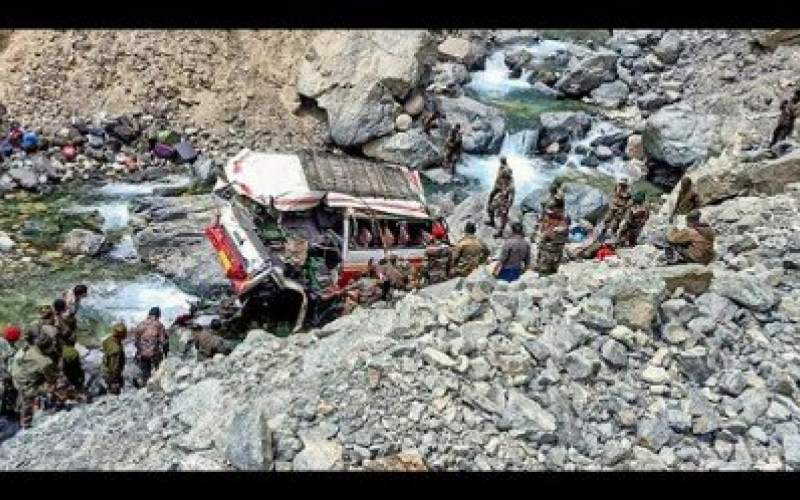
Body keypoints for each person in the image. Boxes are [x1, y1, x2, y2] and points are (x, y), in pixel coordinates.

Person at [10, 329, 59, 428]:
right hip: (27, 385)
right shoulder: (44, 361)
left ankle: (18, 408)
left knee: (23, 394)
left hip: (17, 377)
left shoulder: (26, 348)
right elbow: (52, 378)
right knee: (56, 385)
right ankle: (26, 422)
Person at [133, 307, 168, 386]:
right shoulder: (159, 325)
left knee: (145, 368)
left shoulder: (141, 324)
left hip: (142, 353)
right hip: (154, 353)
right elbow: (163, 341)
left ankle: (143, 381)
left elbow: (136, 340)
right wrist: (166, 353)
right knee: (158, 366)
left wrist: (139, 350)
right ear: (158, 315)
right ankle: (155, 380)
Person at [534, 198, 570, 275]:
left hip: (553, 246)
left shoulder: (562, 218)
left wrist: (548, 233)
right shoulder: (549, 216)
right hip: (547, 246)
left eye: (552, 209)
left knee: (550, 264)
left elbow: (562, 230)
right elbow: (541, 226)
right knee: (543, 261)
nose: (549, 210)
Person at [486, 156, 515, 238]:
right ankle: (492, 221)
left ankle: (500, 232)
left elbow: (511, 199)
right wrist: (492, 197)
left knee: (503, 217)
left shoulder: (511, 186)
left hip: (504, 203)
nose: (502, 177)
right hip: (499, 199)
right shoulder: (502, 181)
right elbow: (497, 188)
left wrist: (507, 207)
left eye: (503, 176)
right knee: (490, 208)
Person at [1, 325, 22, 417]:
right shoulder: (9, 347)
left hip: (5, 372)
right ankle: (9, 411)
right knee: (10, 391)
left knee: (8, 391)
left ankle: (5, 410)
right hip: (4, 372)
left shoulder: (10, 345)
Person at [101, 323, 127, 395]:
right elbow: (114, 367)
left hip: (104, 367)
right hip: (109, 374)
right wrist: (114, 380)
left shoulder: (109, 340)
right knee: (117, 389)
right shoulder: (116, 349)